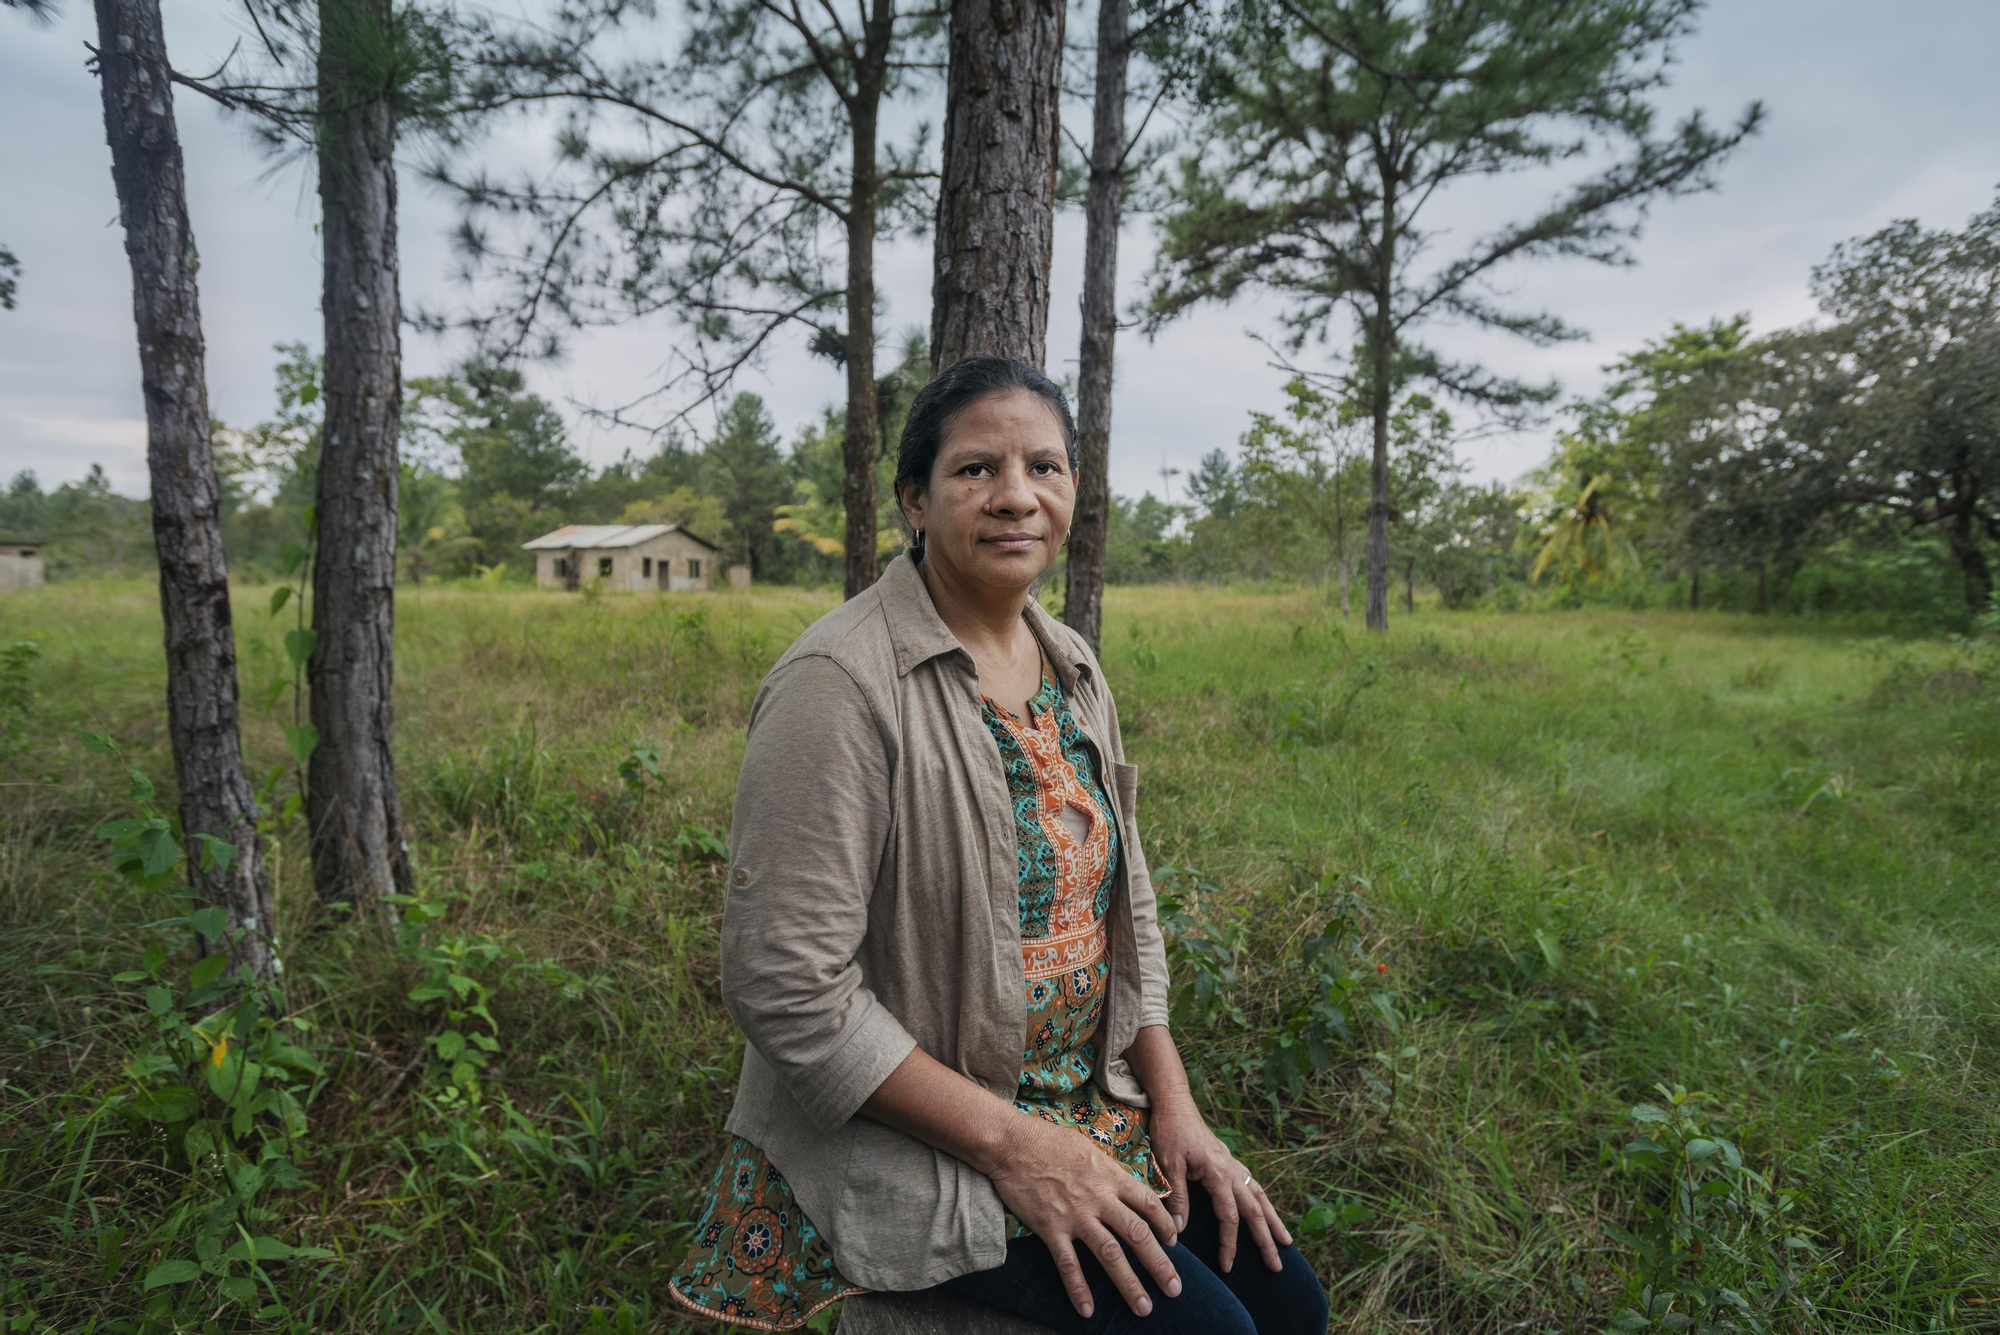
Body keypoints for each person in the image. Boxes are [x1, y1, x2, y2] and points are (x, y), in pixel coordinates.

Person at [669, 357, 1329, 1334]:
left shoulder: (1070, 664)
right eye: (976, 470)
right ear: (915, 502)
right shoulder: (839, 683)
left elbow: (1124, 915)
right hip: (930, 1134)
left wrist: (1176, 1110)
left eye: (1045, 468)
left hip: (1088, 1109)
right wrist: (1020, 1150)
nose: (1015, 496)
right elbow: (782, 983)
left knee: (1288, 1303)